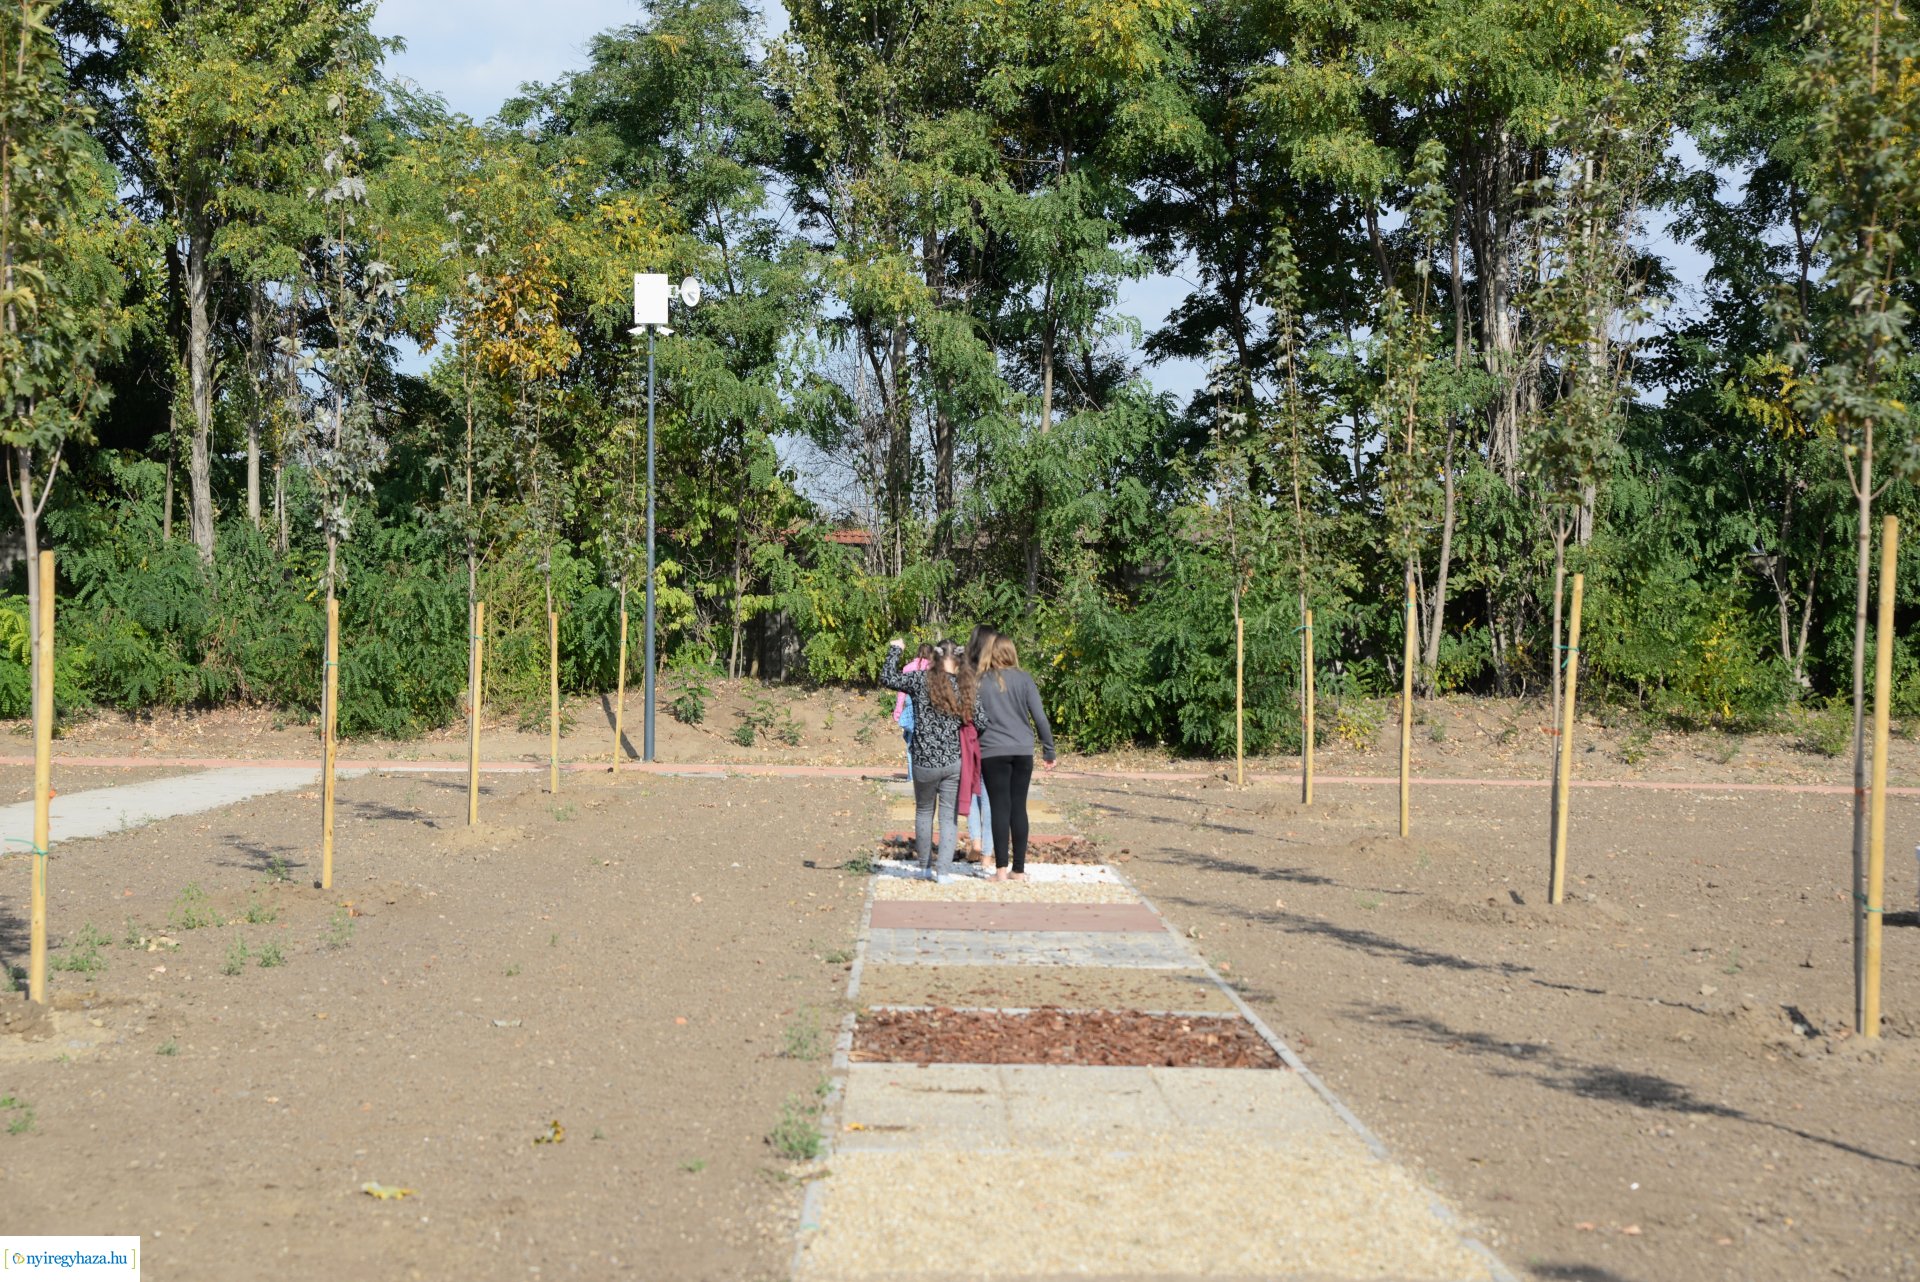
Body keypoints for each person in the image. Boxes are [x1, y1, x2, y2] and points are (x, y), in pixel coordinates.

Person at [881, 638, 984, 882]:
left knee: (924, 812)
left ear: (934, 658)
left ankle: (925, 867)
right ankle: (944, 873)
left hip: (923, 761)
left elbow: (887, 678)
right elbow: (981, 720)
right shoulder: (963, 685)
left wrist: (895, 649)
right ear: (957, 660)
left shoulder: (919, 680)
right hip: (952, 761)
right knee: (948, 818)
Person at [975, 634, 1056, 882]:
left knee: (999, 807)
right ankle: (1018, 870)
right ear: (1011, 652)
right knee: (1018, 807)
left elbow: (972, 717)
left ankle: (1000, 870)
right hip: (1022, 750)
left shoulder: (981, 681)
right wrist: (1048, 749)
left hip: (992, 750)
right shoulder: (1024, 679)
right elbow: (1040, 717)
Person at [960, 627, 998, 869]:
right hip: (992, 740)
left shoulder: (965, 672)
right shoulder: (995, 675)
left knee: (971, 791)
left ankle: (975, 839)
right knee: (989, 796)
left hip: (966, 738)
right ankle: (987, 852)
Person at [892, 643, 932, 781]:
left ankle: (911, 776)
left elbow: (902, 691)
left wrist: (898, 710)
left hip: (910, 704)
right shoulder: (935, 668)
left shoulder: (908, 668)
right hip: (929, 707)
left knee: (910, 742)